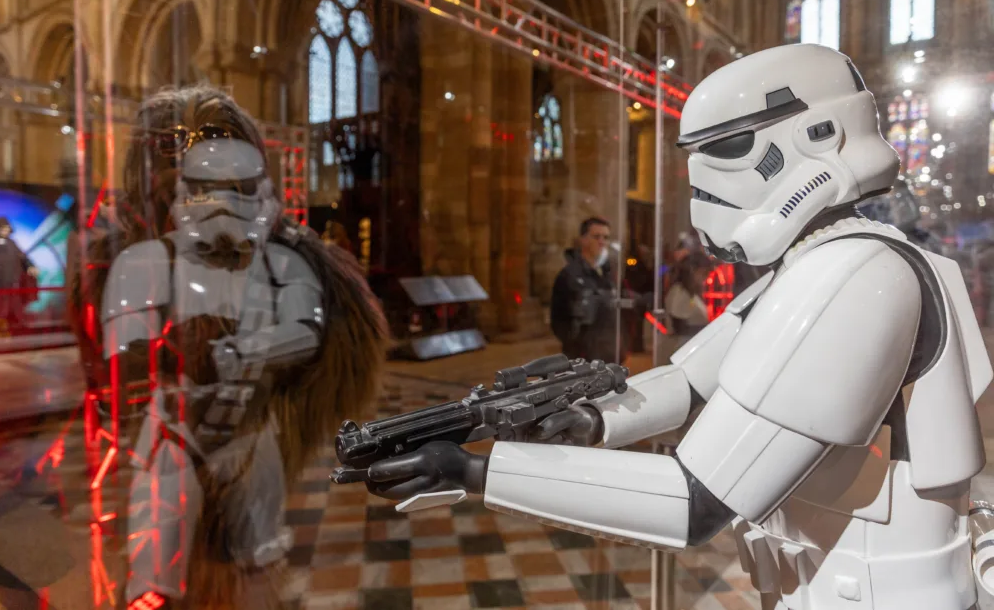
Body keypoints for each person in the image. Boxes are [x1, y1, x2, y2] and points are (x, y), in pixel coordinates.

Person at [352, 44, 993, 610]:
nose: (705, 183)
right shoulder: (838, 257)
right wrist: (594, 419)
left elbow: (694, 503)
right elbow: (690, 380)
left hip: (873, 592)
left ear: (821, 136)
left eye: (730, 149)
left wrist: (473, 473)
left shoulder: (854, 273)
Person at [66, 85, 388, 610]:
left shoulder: (285, 263)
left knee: (251, 563)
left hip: (247, 437)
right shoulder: (136, 263)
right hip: (171, 436)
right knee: (157, 568)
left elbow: (321, 341)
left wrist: (254, 358)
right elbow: (120, 361)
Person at [549, 217, 629, 363]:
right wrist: (577, 346)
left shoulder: (608, 273)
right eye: (596, 236)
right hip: (583, 358)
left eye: (605, 237)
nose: (602, 242)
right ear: (584, 239)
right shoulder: (569, 275)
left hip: (609, 356)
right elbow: (558, 319)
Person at [664, 253, 712, 337]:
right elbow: (679, 326)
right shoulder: (679, 292)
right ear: (693, 271)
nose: (706, 278)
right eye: (704, 273)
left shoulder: (690, 294)